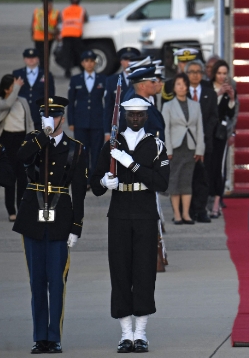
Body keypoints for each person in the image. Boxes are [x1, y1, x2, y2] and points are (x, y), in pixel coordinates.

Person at [90, 98, 170, 354]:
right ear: (124, 116)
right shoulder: (111, 145)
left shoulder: (156, 145)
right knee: (121, 273)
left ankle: (141, 333)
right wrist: (105, 181)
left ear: (146, 117)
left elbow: (161, 183)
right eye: (131, 115)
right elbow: (95, 184)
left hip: (146, 214)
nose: (135, 119)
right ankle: (126, 334)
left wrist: (131, 163)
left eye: (139, 115)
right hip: (120, 213)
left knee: (145, 272)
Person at [12, 96, 88, 354]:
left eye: (55, 116)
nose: (51, 120)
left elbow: (79, 190)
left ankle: (53, 337)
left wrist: (77, 225)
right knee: (37, 282)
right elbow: (20, 158)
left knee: (56, 282)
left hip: (60, 219)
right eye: (46, 116)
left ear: (62, 118)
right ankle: (39, 337)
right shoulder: (33, 141)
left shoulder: (75, 148)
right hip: (33, 217)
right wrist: (41, 137)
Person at [161, 73, 205, 225]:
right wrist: (168, 150)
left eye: (184, 84)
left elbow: (200, 128)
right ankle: (177, 214)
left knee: (187, 181)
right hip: (175, 147)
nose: (182, 87)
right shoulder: (167, 106)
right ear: (174, 87)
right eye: (178, 84)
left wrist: (200, 149)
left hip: (191, 147)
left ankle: (186, 214)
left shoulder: (195, 105)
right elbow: (165, 129)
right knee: (174, 180)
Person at [0, 74, 34, 220]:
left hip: (21, 139)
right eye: (12, 87)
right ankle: (11, 211)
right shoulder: (0, 101)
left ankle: (22, 208)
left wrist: (31, 139)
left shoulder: (23, 101)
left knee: (23, 177)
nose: (16, 89)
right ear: (6, 89)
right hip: (7, 140)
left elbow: (29, 121)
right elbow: (7, 105)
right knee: (9, 177)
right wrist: (16, 87)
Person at [67, 50, 107, 182]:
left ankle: (94, 177)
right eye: (86, 61)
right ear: (82, 63)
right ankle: (83, 176)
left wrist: (105, 122)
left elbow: (107, 102)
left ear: (95, 63)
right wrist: (71, 121)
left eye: (91, 61)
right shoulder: (75, 79)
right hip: (80, 121)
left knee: (96, 151)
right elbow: (71, 102)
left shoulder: (102, 79)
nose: (89, 64)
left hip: (97, 121)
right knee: (82, 151)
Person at [187, 59, 218, 223]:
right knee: (188, 178)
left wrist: (203, 132)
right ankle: (188, 211)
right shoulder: (181, 92)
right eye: (191, 72)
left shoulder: (209, 92)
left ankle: (201, 210)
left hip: (205, 142)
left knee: (203, 178)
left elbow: (214, 117)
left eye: (198, 72)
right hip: (186, 143)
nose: (195, 75)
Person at [207, 60, 237, 218]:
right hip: (206, 134)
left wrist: (231, 99)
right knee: (208, 167)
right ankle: (206, 200)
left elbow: (231, 115)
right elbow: (206, 109)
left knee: (219, 168)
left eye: (225, 73)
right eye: (219, 73)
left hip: (220, 134)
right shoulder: (207, 87)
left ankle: (217, 203)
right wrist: (217, 95)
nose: (222, 76)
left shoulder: (230, 88)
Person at [13, 48, 56, 131]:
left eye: (33, 57)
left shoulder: (46, 74)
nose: (31, 60)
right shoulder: (17, 73)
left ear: (38, 59)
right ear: (24, 59)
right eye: (28, 58)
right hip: (22, 113)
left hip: (39, 113)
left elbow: (51, 94)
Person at [104, 47, 140, 141]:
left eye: (132, 60)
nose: (129, 63)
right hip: (119, 127)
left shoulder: (142, 80)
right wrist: (107, 131)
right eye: (126, 59)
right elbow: (108, 107)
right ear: (121, 61)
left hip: (139, 127)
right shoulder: (112, 80)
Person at [122, 66, 165, 141]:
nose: (155, 84)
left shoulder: (145, 103)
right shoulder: (137, 107)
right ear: (142, 86)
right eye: (152, 82)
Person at [60, 0, 89, 78]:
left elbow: (61, 20)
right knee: (79, 53)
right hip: (76, 34)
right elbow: (86, 19)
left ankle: (67, 72)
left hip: (66, 34)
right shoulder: (81, 9)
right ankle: (82, 70)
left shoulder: (65, 10)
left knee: (67, 54)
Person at [31, 0, 60, 70]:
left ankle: (45, 72)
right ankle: (43, 72)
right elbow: (37, 25)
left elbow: (58, 24)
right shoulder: (38, 12)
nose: (49, 6)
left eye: (50, 4)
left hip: (49, 38)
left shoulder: (55, 12)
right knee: (41, 57)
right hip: (39, 38)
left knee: (47, 56)